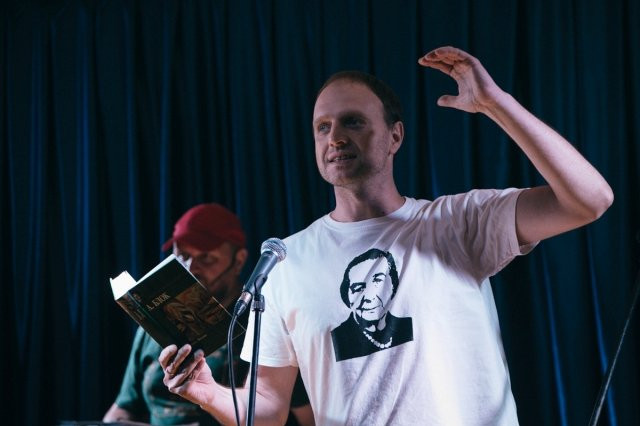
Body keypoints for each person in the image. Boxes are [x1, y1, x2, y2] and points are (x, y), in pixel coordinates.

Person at [157, 46, 613, 425]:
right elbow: (269, 409)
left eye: (352, 121)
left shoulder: (458, 222)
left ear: (395, 136)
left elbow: (589, 199)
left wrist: (496, 103)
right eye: (322, 127)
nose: (335, 137)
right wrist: (207, 393)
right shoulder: (284, 262)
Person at [104, 203, 313, 425]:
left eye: (206, 258)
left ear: (239, 260)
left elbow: (307, 418)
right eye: (183, 256)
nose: (191, 267)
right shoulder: (153, 325)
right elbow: (123, 409)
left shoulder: (263, 320)